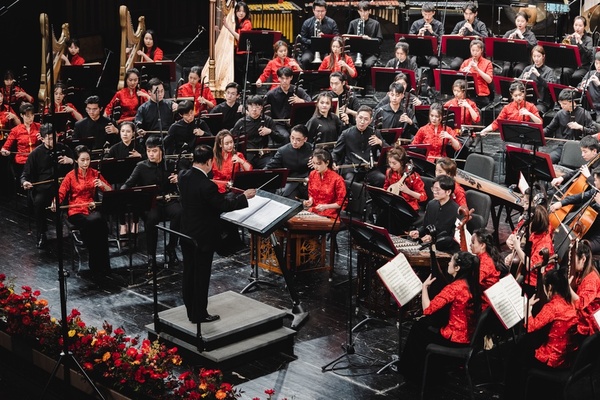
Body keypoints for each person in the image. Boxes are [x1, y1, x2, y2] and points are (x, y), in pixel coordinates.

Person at [179, 144, 256, 323]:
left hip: (186, 233)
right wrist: (244, 197)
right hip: (202, 238)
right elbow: (223, 205)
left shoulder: (183, 176)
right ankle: (199, 314)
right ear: (208, 162)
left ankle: (190, 309)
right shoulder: (207, 185)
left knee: (189, 272)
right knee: (201, 276)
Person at [399, 251, 481, 384]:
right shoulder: (472, 283)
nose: (448, 263)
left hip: (455, 340)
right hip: (469, 337)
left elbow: (427, 309)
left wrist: (424, 287)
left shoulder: (454, 288)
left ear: (457, 268)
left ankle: (413, 374)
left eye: (451, 261)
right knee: (425, 325)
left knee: (418, 327)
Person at [503, 268, 578, 400]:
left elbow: (530, 327)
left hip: (553, 361)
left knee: (517, 355)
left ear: (550, 287)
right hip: (568, 358)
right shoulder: (571, 303)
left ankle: (515, 394)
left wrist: (528, 308)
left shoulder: (552, 307)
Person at [122, 135, 181, 268]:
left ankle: (171, 247)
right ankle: (151, 255)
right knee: (152, 218)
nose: (151, 154)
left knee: (179, 213)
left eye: (154, 151)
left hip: (168, 200)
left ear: (161, 151)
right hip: (151, 203)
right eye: (149, 151)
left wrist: (178, 178)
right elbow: (128, 184)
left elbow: (185, 176)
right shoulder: (141, 167)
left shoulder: (170, 164)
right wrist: (122, 193)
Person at [56, 145, 112, 280]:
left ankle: (103, 266)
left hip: (91, 208)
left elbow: (110, 190)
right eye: (82, 160)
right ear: (76, 160)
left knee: (100, 224)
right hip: (76, 210)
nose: (86, 163)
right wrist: (55, 202)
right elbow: (61, 193)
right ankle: (96, 266)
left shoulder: (95, 173)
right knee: (96, 223)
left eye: (88, 159)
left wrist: (102, 185)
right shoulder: (70, 176)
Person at [21, 123, 74, 248]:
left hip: (63, 186)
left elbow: (78, 167)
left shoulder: (65, 149)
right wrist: (25, 182)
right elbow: (25, 175)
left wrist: (70, 161)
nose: (53, 141)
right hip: (44, 189)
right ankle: (42, 233)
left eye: (55, 137)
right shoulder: (35, 154)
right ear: (42, 138)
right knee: (39, 202)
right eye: (49, 138)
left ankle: (76, 231)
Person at [550, 167, 600, 255]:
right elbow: (581, 197)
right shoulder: (597, 191)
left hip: (597, 238)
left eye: (595, 180)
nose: (593, 182)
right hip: (588, 231)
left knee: (578, 250)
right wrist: (561, 203)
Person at [332, 105, 386, 185]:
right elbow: (336, 152)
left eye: (366, 119)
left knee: (382, 179)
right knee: (350, 182)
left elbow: (388, 150)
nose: (362, 122)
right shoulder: (346, 134)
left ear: (370, 120)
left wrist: (381, 143)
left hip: (370, 169)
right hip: (352, 169)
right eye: (360, 118)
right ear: (356, 117)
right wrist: (333, 161)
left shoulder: (375, 133)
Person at [505, 205, 554, 292]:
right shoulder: (536, 233)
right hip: (525, 271)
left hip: (534, 282)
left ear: (535, 223)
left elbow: (531, 265)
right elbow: (527, 251)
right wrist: (513, 256)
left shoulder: (545, 243)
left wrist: (518, 248)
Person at [108, 121, 144, 236]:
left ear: (133, 133)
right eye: (123, 131)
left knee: (138, 192)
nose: (125, 134)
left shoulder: (139, 147)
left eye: (128, 131)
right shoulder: (114, 149)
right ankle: (123, 224)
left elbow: (147, 162)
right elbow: (108, 167)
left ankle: (136, 222)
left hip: (136, 180)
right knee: (119, 192)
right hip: (120, 180)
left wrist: (140, 156)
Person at [409, 174, 460, 253]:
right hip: (429, 246)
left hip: (445, 250)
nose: (434, 192)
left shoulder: (457, 211)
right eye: (433, 189)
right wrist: (418, 232)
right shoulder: (431, 204)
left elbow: (453, 238)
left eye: (438, 190)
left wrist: (433, 239)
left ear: (448, 192)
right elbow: (425, 226)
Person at [544, 88, 597, 163]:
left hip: (580, 147)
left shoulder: (583, 113)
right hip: (564, 146)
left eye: (564, 104)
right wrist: (538, 133)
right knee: (548, 160)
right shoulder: (560, 114)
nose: (562, 106)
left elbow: (593, 131)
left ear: (572, 102)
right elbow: (549, 129)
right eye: (560, 103)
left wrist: (580, 127)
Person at [380, 146, 426, 232]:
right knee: (383, 216)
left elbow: (423, 197)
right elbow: (386, 187)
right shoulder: (389, 172)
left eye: (394, 163)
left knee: (394, 217)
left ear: (401, 162)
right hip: (394, 204)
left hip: (409, 207)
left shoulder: (413, 176)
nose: (391, 165)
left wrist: (408, 191)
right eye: (390, 162)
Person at [265, 124, 313, 199]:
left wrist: (316, 163)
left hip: (308, 182)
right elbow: (269, 167)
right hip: (291, 184)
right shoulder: (283, 151)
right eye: (292, 138)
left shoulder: (311, 148)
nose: (294, 142)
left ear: (305, 139)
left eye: (298, 140)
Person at [264, 66, 311, 142]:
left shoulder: (298, 91)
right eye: (282, 78)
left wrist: (301, 101)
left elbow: (310, 103)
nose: (284, 81)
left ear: (291, 78)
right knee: (285, 137)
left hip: (296, 123)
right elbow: (262, 105)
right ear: (278, 78)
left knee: (302, 135)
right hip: (279, 124)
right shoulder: (271, 94)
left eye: (287, 78)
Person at [231, 95, 278, 169]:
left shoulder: (268, 120)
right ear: (247, 107)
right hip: (247, 155)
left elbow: (280, 139)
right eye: (251, 106)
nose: (254, 109)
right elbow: (232, 137)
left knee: (271, 167)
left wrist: (270, 131)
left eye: (257, 106)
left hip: (263, 156)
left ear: (261, 108)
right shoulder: (241, 122)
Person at [1, 103, 41, 181]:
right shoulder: (15, 130)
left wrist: (43, 138)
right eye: (28, 116)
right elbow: (4, 148)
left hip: (37, 160)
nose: (31, 118)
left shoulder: (39, 127)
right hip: (22, 162)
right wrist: (5, 152)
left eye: (32, 115)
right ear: (22, 115)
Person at [303, 148, 346, 218]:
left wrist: (326, 206)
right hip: (314, 210)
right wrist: (310, 200)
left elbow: (341, 202)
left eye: (318, 164)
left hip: (330, 213)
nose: (315, 167)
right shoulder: (312, 174)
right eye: (313, 163)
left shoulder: (337, 179)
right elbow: (311, 193)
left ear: (327, 163)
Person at [570, 239, 600, 336]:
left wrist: (568, 287)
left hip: (588, 323)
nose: (570, 263)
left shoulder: (591, 280)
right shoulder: (581, 272)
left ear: (583, 259)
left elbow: (580, 304)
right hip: (580, 313)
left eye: (572, 260)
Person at [299, 0, 339, 70]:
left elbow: (336, 38)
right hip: (310, 49)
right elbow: (302, 38)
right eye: (318, 11)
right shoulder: (307, 23)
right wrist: (314, 41)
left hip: (326, 50)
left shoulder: (332, 23)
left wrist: (324, 38)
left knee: (330, 60)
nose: (320, 13)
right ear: (313, 10)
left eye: (322, 11)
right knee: (305, 59)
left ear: (326, 11)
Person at [447, 2, 488, 70]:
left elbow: (485, 38)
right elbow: (450, 38)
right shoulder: (459, 24)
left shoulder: (481, 25)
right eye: (466, 14)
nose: (468, 16)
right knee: (454, 66)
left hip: (476, 54)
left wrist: (472, 30)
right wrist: (458, 35)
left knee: (473, 68)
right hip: (462, 52)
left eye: (470, 14)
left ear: (475, 14)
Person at [519, 45, 558, 115]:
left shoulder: (549, 71)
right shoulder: (528, 69)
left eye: (538, 56)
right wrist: (523, 79)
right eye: (534, 56)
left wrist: (538, 75)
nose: (536, 59)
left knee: (534, 111)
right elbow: (517, 83)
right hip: (527, 99)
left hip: (542, 102)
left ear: (543, 56)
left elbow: (549, 86)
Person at [212, 129, 252, 194]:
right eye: (226, 144)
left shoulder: (238, 155)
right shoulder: (214, 158)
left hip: (233, 190)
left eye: (231, 142)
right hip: (217, 189)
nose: (230, 145)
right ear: (220, 144)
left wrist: (241, 161)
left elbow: (249, 170)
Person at [221, 1, 252, 85]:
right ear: (235, 12)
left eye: (243, 11)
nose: (241, 13)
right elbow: (231, 35)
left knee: (235, 62)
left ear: (246, 12)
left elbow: (240, 38)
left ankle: (239, 85)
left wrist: (228, 27)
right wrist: (219, 30)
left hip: (243, 52)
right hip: (235, 50)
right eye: (239, 11)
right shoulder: (235, 22)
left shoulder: (247, 23)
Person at [470, 229, 505, 304]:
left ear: (482, 245)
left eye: (473, 242)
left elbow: (472, 283)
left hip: (485, 302)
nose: (470, 245)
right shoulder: (486, 256)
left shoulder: (485, 263)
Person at [346, 1, 383, 70]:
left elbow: (380, 40)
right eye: (361, 11)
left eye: (365, 11)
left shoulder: (376, 24)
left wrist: (369, 39)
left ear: (369, 11)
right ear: (358, 11)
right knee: (352, 63)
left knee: (368, 64)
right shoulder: (353, 23)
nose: (363, 14)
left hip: (370, 52)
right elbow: (348, 39)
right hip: (355, 52)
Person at [560, 16, 594, 87]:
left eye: (580, 26)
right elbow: (563, 53)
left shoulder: (588, 39)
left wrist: (580, 42)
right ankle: (565, 90)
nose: (577, 28)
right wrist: (564, 44)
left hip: (583, 66)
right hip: (572, 65)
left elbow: (589, 54)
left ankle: (575, 91)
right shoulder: (570, 38)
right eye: (575, 25)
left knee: (575, 76)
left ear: (584, 27)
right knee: (564, 72)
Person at [459, 39, 493, 108]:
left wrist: (477, 69)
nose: (475, 53)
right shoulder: (466, 62)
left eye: (477, 51)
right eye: (473, 50)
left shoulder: (487, 63)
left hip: (481, 95)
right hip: (467, 92)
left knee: (469, 104)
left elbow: (489, 80)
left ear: (481, 50)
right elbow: (459, 78)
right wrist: (464, 72)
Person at [408, 3, 443, 72]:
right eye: (425, 14)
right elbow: (409, 40)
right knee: (412, 62)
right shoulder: (416, 23)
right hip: (418, 53)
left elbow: (441, 41)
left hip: (433, 54)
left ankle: (430, 79)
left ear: (433, 13)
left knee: (433, 63)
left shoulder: (439, 25)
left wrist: (432, 32)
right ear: (422, 12)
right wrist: (418, 35)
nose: (427, 17)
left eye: (429, 14)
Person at [502, 11, 537, 78]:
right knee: (506, 69)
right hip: (509, 59)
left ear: (526, 22)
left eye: (522, 21)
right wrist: (508, 40)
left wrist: (522, 37)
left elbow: (534, 47)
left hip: (523, 60)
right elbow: (501, 45)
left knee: (518, 69)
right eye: (518, 21)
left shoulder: (530, 34)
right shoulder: (509, 33)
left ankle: (518, 84)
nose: (520, 23)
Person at [578, 52, 600, 122]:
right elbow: (578, 87)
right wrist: (582, 87)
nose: (598, 66)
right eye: (596, 63)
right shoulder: (590, 73)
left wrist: (599, 84)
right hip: (589, 107)